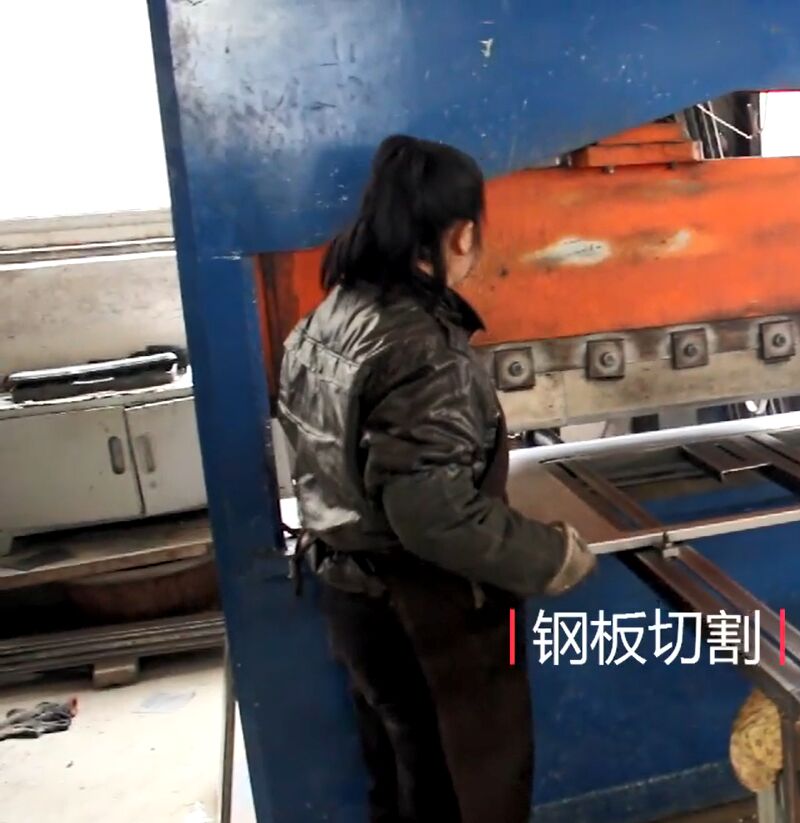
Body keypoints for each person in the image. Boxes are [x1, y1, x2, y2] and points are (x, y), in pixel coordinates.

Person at [275, 134, 597, 822]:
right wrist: (552, 555)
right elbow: (432, 513)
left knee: (403, 775)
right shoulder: (421, 349)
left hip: (352, 597)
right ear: (462, 234)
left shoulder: (329, 318)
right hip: (423, 616)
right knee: (459, 793)